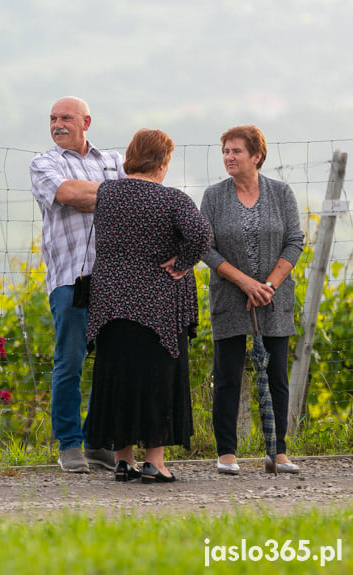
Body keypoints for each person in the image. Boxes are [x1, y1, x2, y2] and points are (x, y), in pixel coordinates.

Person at [83, 129, 211, 483]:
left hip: (109, 301)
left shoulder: (107, 193)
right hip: (156, 304)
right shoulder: (173, 199)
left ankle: (123, 459)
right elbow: (201, 234)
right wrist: (182, 262)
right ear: (163, 162)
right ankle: (155, 461)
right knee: (157, 378)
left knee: (119, 376)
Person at [200, 125, 304, 475]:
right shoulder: (214, 196)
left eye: (236, 152)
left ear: (256, 156)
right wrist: (245, 283)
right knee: (227, 374)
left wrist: (269, 285)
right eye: (225, 152)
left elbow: (295, 241)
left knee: (276, 374)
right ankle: (226, 453)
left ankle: (278, 452)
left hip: (274, 298)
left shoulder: (280, 192)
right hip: (230, 295)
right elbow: (205, 247)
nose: (229, 157)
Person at [28, 97, 124, 473]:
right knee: (70, 361)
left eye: (65, 118)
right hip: (70, 277)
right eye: (52, 118)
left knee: (111, 364)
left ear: (86, 121)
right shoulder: (44, 163)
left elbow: (121, 200)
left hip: (116, 278)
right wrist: (109, 195)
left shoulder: (114, 159)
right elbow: (67, 195)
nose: (57, 124)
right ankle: (69, 444)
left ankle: (98, 441)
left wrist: (93, 197)